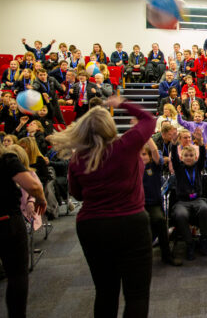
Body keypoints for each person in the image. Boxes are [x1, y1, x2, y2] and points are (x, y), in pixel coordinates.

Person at [49, 95, 155, 318]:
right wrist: (121, 104)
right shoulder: (125, 146)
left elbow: (76, 193)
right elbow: (148, 119)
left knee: (105, 292)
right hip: (130, 223)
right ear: (109, 126)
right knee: (137, 294)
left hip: (92, 226)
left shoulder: (78, 159)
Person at [0, 145, 47, 318]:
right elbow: (34, 186)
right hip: (6, 221)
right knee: (17, 275)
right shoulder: (6, 160)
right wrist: (41, 199)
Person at [170, 127, 207, 260]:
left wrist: (200, 142)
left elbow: (203, 156)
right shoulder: (179, 168)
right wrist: (174, 143)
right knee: (180, 215)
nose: (188, 158)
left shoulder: (198, 167)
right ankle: (189, 243)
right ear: (182, 157)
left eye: (191, 156)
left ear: (195, 156)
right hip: (182, 201)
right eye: (186, 156)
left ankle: (204, 239)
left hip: (198, 200)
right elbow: (174, 157)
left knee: (206, 209)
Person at [140, 139, 182, 266]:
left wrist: (146, 135)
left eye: (144, 154)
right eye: (139, 155)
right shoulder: (133, 168)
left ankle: (166, 255)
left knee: (160, 221)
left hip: (153, 204)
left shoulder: (154, 166)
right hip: (137, 206)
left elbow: (153, 150)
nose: (142, 157)